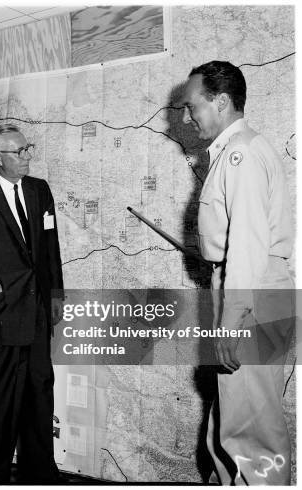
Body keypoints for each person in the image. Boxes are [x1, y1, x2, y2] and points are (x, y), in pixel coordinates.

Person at [181, 60, 294, 485]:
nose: (187, 116)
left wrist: (230, 325)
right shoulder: (240, 151)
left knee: (252, 435)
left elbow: (245, 244)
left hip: (249, 297)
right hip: (251, 292)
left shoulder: (239, 154)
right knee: (232, 421)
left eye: (193, 105)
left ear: (222, 101)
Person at [0, 124, 63, 482]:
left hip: (39, 313)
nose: (27, 157)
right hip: (2, 317)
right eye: (19, 152)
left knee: (40, 393)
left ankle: (41, 475)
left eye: (28, 149)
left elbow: (50, 247)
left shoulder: (39, 190)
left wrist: (56, 296)